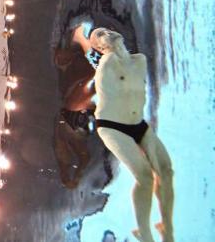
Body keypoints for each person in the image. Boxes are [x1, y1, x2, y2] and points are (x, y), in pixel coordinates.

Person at [89, 28, 174, 242]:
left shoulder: (139, 61)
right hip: (111, 125)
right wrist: (103, 44)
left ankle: (167, 227)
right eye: (99, 39)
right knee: (144, 176)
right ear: (101, 49)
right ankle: (144, 232)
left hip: (138, 124)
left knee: (165, 170)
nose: (105, 36)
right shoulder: (106, 64)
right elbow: (106, 54)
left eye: (105, 32)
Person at [53, 24, 97, 188]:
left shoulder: (75, 84)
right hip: (73, 114)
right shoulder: (82, 89)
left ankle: (70, 175)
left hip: (72, 115)